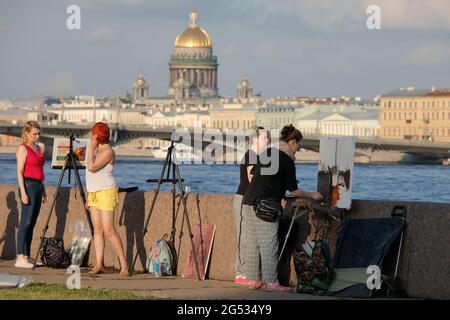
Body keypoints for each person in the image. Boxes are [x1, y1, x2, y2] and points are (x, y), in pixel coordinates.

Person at [241, 124, 323, 292]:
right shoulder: (287, 160)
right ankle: (271, 282)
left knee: (252, 243)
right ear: (292, 141)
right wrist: (313, 195)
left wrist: (277, 184)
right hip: (266, 205)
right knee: (269, 243)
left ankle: (253, 280)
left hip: (248, 201)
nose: (300, 148)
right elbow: (293, 190)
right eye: (299, 144)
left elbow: (258, 174)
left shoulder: (268, 152)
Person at [86, 122, 128, 276]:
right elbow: (90, 175)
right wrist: (89, 194)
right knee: (97, 229)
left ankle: (124, 265)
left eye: (92, 134)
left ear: (96, 136)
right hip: (94, 193)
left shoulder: (108, 152)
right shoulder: (96, 151)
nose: (91, 137)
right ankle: (99, 264)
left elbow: (91, 167)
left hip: (106, 192)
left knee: (109, 230)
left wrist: (90, 150)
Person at [233, 126, 269, 284]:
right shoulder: (252, 155)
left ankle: (248, 273)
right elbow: (251, 178)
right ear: (255, 139)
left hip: (249, 200)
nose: (267, 140)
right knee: (244, 237)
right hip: (243, 199)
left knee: (249, 237)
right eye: (264, 137)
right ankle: (240, 273)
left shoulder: (256, 156)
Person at [15, 121, 48, 268]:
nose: (37, 136)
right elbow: (20, 172)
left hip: (38, 186)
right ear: (27, 134)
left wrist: (44, 190)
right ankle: (19, 257)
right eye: (34, 133)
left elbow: (40, 170)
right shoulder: (23, 149)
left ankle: (27, 256)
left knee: (32, 224)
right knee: (25, 223)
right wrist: (23, 192)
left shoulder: (40, 148)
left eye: (38, 133)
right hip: (27, 185)